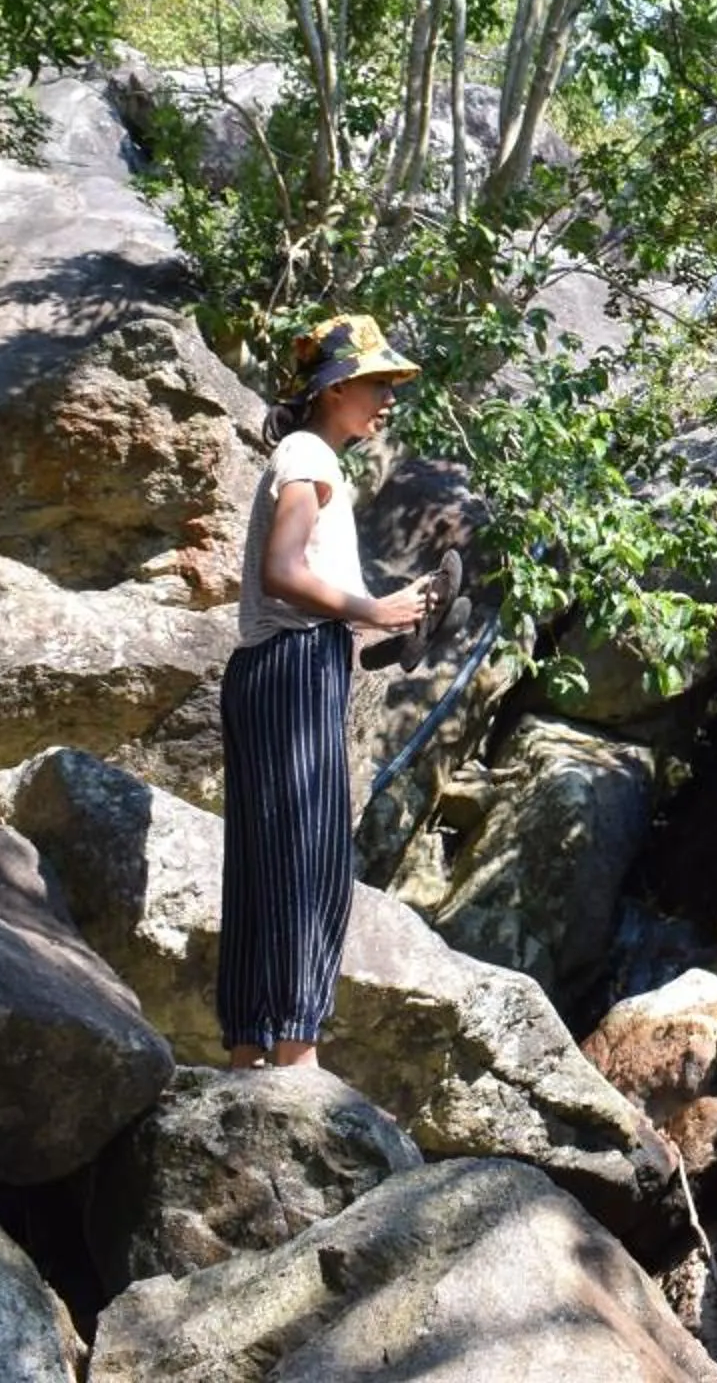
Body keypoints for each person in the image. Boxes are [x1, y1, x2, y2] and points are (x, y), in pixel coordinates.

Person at [219, 313, 456, 1071]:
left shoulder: (311, 455)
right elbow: (281, 574)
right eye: (379, 385)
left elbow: (291, 587)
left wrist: (378, 630)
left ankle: (252, 1048)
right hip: (291, 667)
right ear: (337, 388)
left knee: (267, 862)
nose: (387, 401)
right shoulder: (307, 453)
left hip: (284, 666)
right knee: (307, 859)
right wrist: (370, 608)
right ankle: (296, 1053)